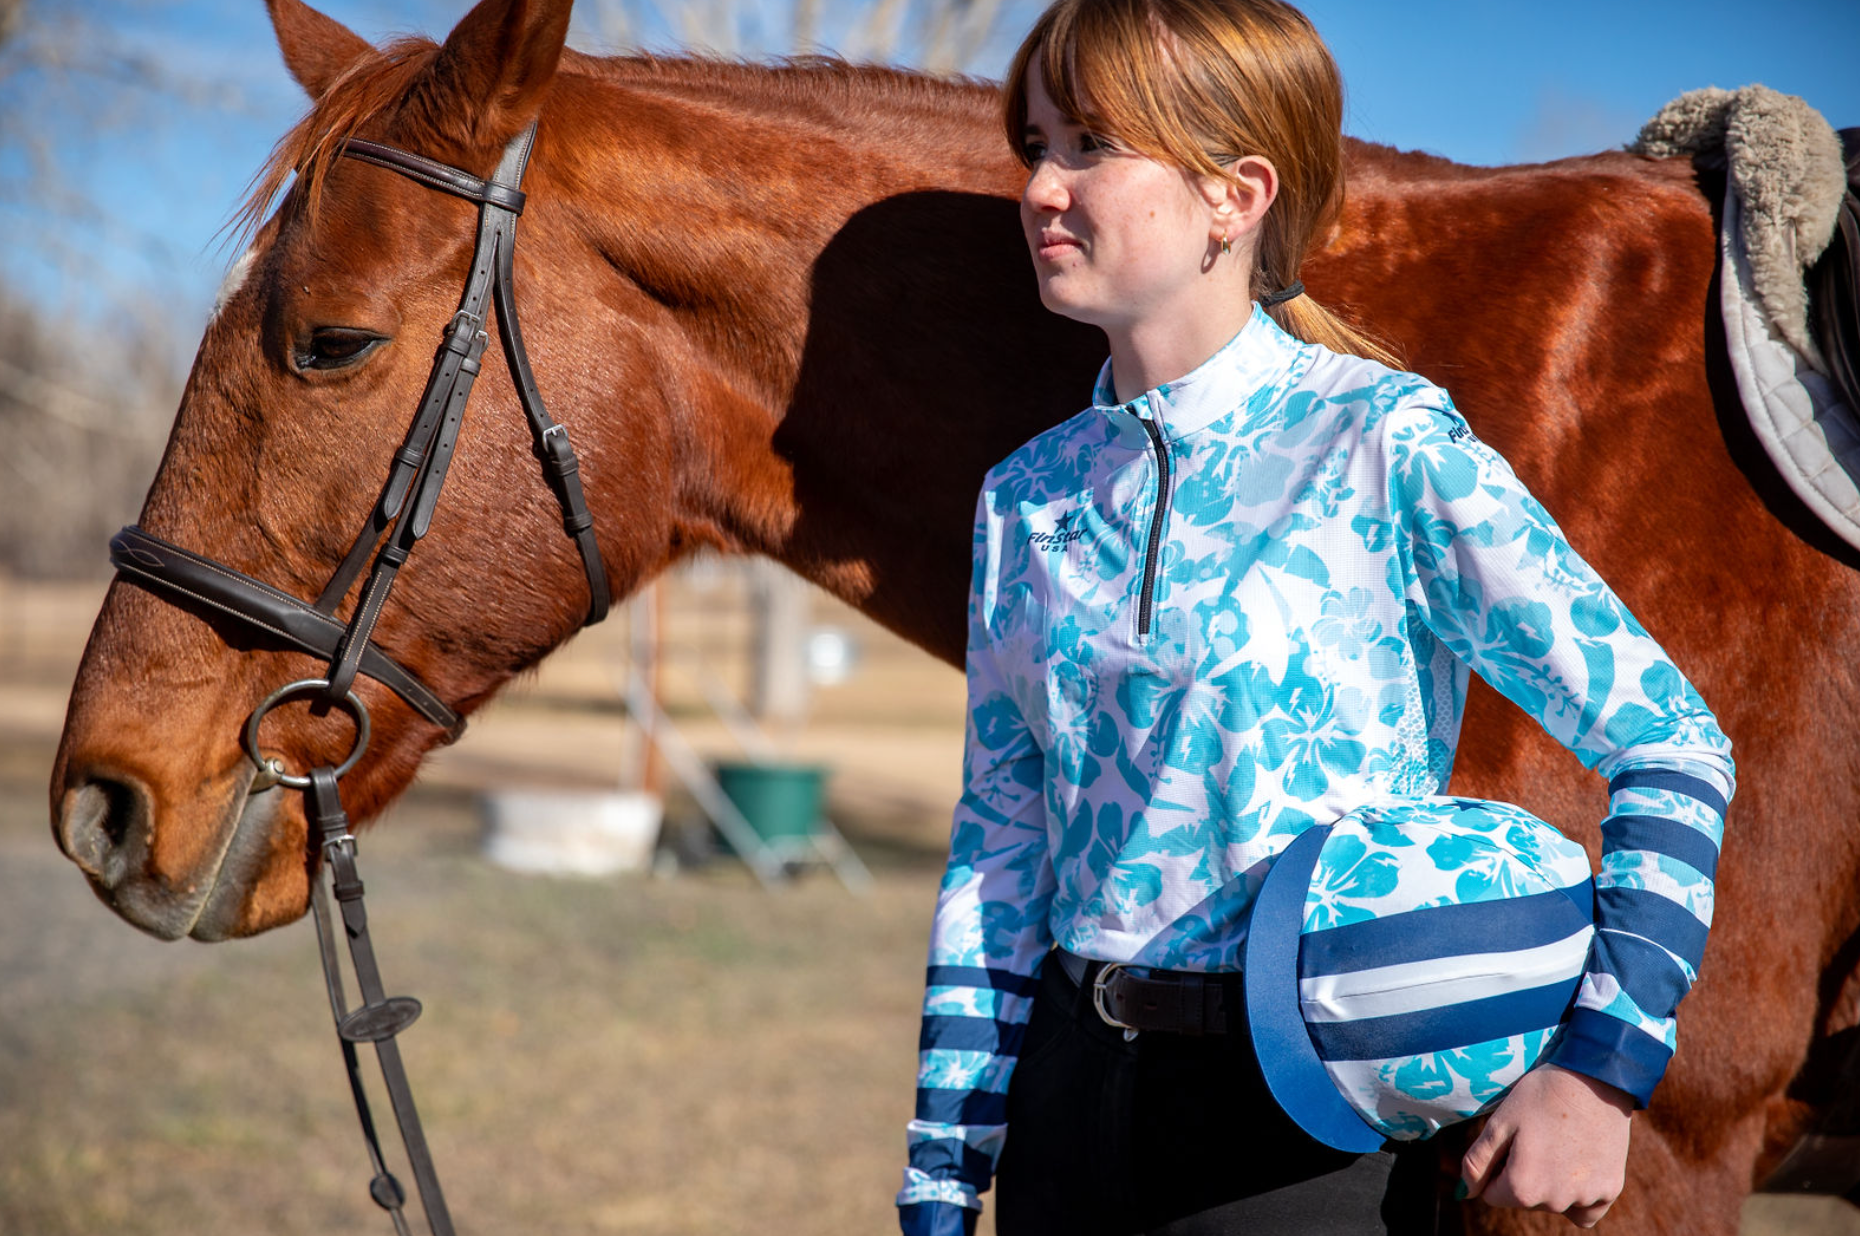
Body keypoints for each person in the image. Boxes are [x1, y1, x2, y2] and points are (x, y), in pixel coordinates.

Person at [895, 0, 1736, 1233]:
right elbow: (1002, 850)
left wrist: (1601, 1073)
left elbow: (1672, 744)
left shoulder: (1384, 444)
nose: (1040, 187)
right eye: (1035, 145)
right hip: (1067, 1118)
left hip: (1303, 1142)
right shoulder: (1027, 495)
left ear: (1234, 196)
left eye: (1088, 145)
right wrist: (941, 1171)